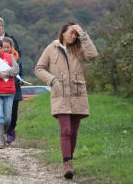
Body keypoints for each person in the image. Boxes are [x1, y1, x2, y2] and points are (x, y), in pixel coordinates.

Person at [35, 22, 98, 179]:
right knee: (66, 131)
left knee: (74, 132)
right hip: (60, 94)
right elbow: (39, 68)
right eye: (71, 32)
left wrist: (83, 34)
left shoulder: (80, 48)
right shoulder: (51, 48)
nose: (73, 36)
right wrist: (52, 80)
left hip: (77, 94)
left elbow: (93, 55)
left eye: (75, 34)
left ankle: (70, 160)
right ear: (63, 33)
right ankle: (67, 164)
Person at [2, 37, 25, 144]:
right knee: (3, 112)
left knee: (13, 113)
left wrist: (22, 80)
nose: (6, 49)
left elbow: (21, 73)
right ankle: (3, 130)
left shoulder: (17, 59)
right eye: (4, 47)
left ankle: (11, 131)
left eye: (8, 47)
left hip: (15, 89)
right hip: (2, 89)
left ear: (12, 47)